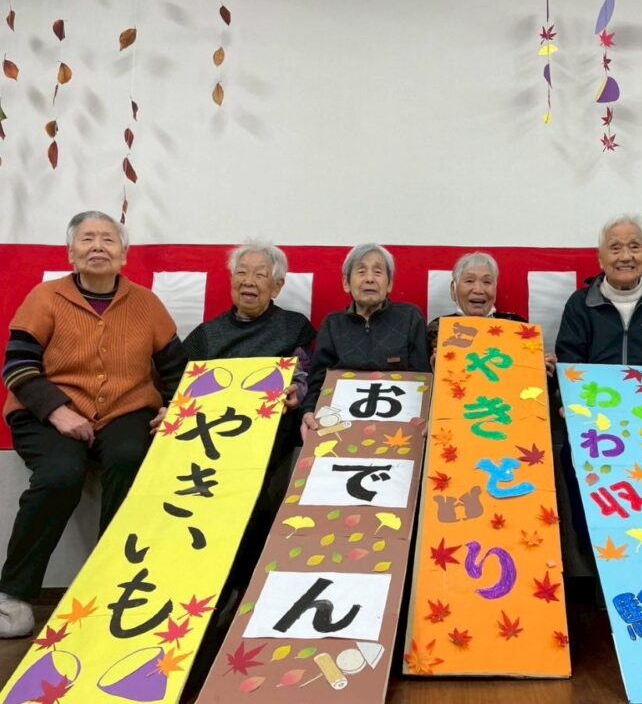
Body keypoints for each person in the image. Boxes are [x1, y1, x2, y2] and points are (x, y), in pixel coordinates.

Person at [0, 211, 185, 638]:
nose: (98, 246)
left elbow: (176, 369)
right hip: (47, 411)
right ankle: (14, 594)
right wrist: (57, 411)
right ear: (71, 252)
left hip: (126, 409)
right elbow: (18, 366)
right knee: (60, 473)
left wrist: (174, 407)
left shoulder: (147, 304)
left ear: (124, 254)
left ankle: (114, 582)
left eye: (108, 239)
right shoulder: (45, 298)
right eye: (87, 239)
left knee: (130, 459)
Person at [183, 240, 315, 524]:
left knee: (252, 489)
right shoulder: (206, 335)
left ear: (277, 286)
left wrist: (297, 390)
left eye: (260, 274)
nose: (249, 281)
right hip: (211, 430)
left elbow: (304, 372)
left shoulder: (294, 327)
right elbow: (179, 384)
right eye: (241, 272)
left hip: (268, 427)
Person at [556, 214, 642, 433]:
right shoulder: (580, 304)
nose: (625, 256)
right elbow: (569, 360)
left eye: (634, 247)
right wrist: (573, 400)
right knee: (573, 452)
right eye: (615, 248)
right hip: (595, 412)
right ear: (600, 259)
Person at [301, 243, 430, 435]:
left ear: (389, 284)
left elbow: (424, 378)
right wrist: (308, 412)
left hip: (400, 427)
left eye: (377, 272)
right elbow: (318, 380)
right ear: (346, 283)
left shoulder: (410, 318)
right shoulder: (333, 324)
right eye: (361, 272)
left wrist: (429, 415)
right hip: (342, 426)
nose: (370, 279)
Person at [427, 251, 555, 374]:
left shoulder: (517, 325)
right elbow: (423, 380)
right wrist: (433, 372)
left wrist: (547, 372)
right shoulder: (438, 328)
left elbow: (534, 382)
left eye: (487, 282)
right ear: (453, 289)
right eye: (469, 281)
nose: (478, 290)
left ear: (495, 289)